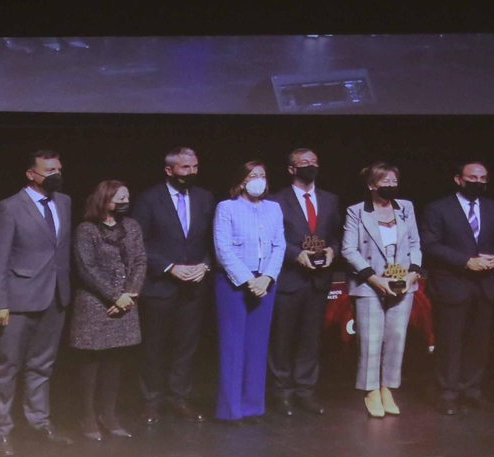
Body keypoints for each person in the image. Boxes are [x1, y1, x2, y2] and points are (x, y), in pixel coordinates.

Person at [0, 148, 74, 455]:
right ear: (31, 174)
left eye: (58, 169)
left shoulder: (64, 202)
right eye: (49, 171)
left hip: (55, 296)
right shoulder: (9, 208)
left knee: (42, 365)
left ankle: (39, 422)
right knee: (7, 366)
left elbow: (59, 250)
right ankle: (0, 430)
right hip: (19, 299)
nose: (56, 175)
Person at [129, 146, 213, 425]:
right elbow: (139, 242)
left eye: (195, 167)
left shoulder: (205, 197)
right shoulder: (149, 199)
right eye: (185, 168)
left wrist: (205, 264)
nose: (191, 172)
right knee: (154, 346)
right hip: (160, 286)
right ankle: (152, 400)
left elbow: (216, 239)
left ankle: (179, 398)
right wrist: (169, 267)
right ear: (169, 170)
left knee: (186, 346)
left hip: (195, 287)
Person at [421, 161, 494, 415]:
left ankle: (472, 391)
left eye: (483, 177)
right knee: (450, 343)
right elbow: (430, 244)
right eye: (472, 177)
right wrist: (466, 262)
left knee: (479, 343)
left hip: (486, 285)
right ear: (459, 179)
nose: (478, 181)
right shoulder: (438, 208)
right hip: (452, 284)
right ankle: (448, 393)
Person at [342, 162, 422, 419]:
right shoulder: (356, 211)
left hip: (403, 283)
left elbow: (415, 244)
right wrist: (375, 279)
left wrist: (412, 275)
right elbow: (348, 249)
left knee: (397, 336)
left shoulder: (406, 208)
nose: (390, 185)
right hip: (370, 283)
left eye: (393, 180)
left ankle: (388, 387)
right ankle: (370, 390)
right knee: (370, 339)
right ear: (371, 185)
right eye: (384, 181)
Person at [70, 179, 146, 442]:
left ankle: (108, 414)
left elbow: (139, 260)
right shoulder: (86, 229)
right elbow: (86, 268)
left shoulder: (131, 227)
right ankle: (87, 415)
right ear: (104, 199)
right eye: (119, 198)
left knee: (115, 360)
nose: (125, 202)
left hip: (126, 302)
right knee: (91, 362)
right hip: (95, 303)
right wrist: (115, 296)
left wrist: (130, 294)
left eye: (127, 197)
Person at [268, 147, 342, 417]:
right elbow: (273, 239)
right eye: (304, 162)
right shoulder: (275, 201)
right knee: (282, 339)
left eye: (314, 161)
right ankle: (282, 393)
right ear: (291, 169)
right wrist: (296, 254)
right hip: (289, 278)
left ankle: (305, 391)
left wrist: (334, 249)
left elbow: (335, 235)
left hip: (318, 281)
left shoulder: (330, 199)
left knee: (310, 340)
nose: (310, 166)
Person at [212, 160, 286, 422]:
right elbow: (223, 249)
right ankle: (231, 410)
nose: (259, 179)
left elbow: (279, 246)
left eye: (263, 175)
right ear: (242, 180)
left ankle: (253, 407)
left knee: (258, 345)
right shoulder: (227, 208)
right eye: (253, 175)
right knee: (233, 345)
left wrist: (266, 277)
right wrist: (248, 280)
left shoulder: (273, 209)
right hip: (235, 283)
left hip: (265, 283)